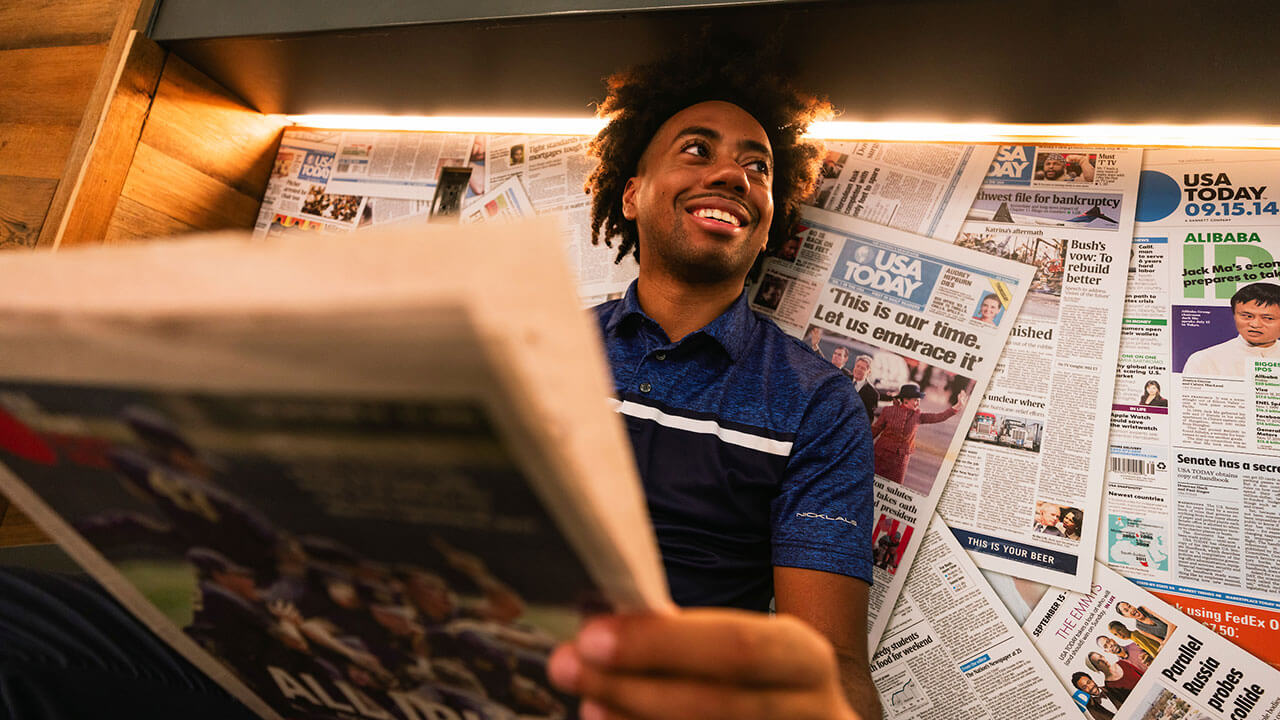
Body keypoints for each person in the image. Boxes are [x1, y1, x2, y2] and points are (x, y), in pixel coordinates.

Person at [580, 44, 878, 719]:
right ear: (631, 194)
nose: (732, 176)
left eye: (757, 167)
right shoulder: (537, 353)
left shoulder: (818, 404)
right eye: (696, 150)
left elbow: (828, 664)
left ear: (769, 224)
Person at [870, 383, 965, 485]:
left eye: (919, 400)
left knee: (893, 487)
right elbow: (875, 429)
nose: (918, 403)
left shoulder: (918, 416)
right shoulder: (888, 411)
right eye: (915, 400)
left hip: (900, 461)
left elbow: (938, 417)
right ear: (905, 400)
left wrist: (957, 406)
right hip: (880, 455)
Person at [1182, 282, 1280, 377]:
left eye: (1268, 318)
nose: (1255, 324)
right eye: (1247, 316)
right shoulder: (1204, 360)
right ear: (1234, 315)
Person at [850, 354, 879, 423]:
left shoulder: (872, 394)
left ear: (869, 372)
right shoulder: (843, 379)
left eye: (863, 368)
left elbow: (868, 419)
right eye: (857, 366)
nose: (859, 369)